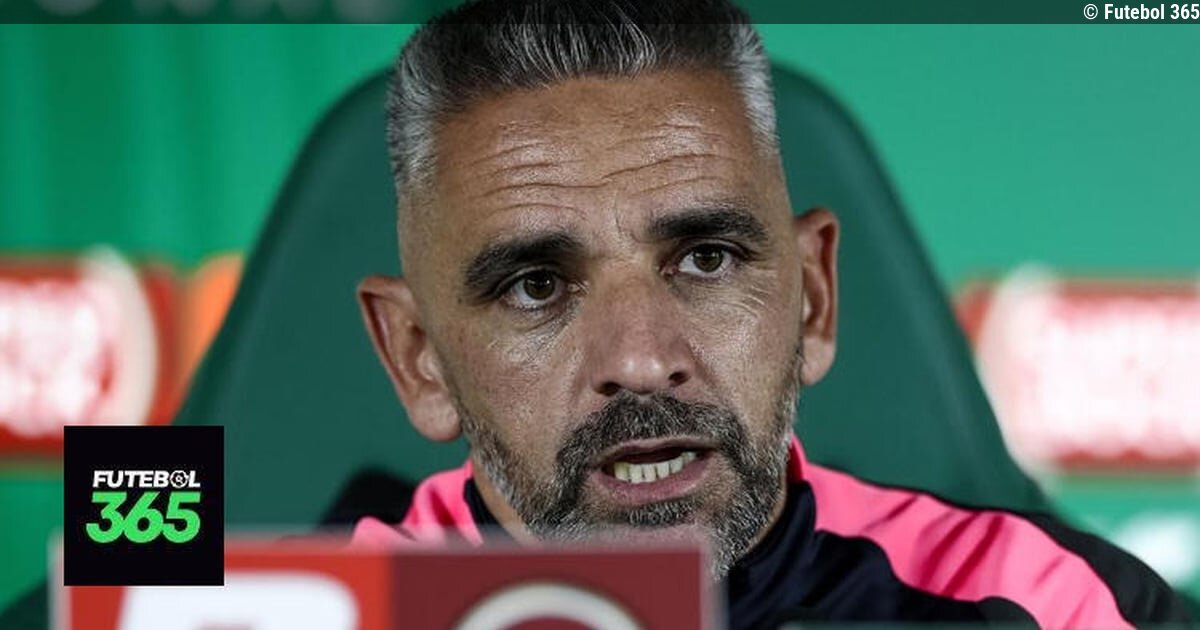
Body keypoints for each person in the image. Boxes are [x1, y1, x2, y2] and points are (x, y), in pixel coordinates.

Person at [350, 0, 1193, 627]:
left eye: (706, 259)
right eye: (536, 286)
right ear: (419, 360)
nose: (640, 360)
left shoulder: (1059, 607)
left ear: (813, 296)